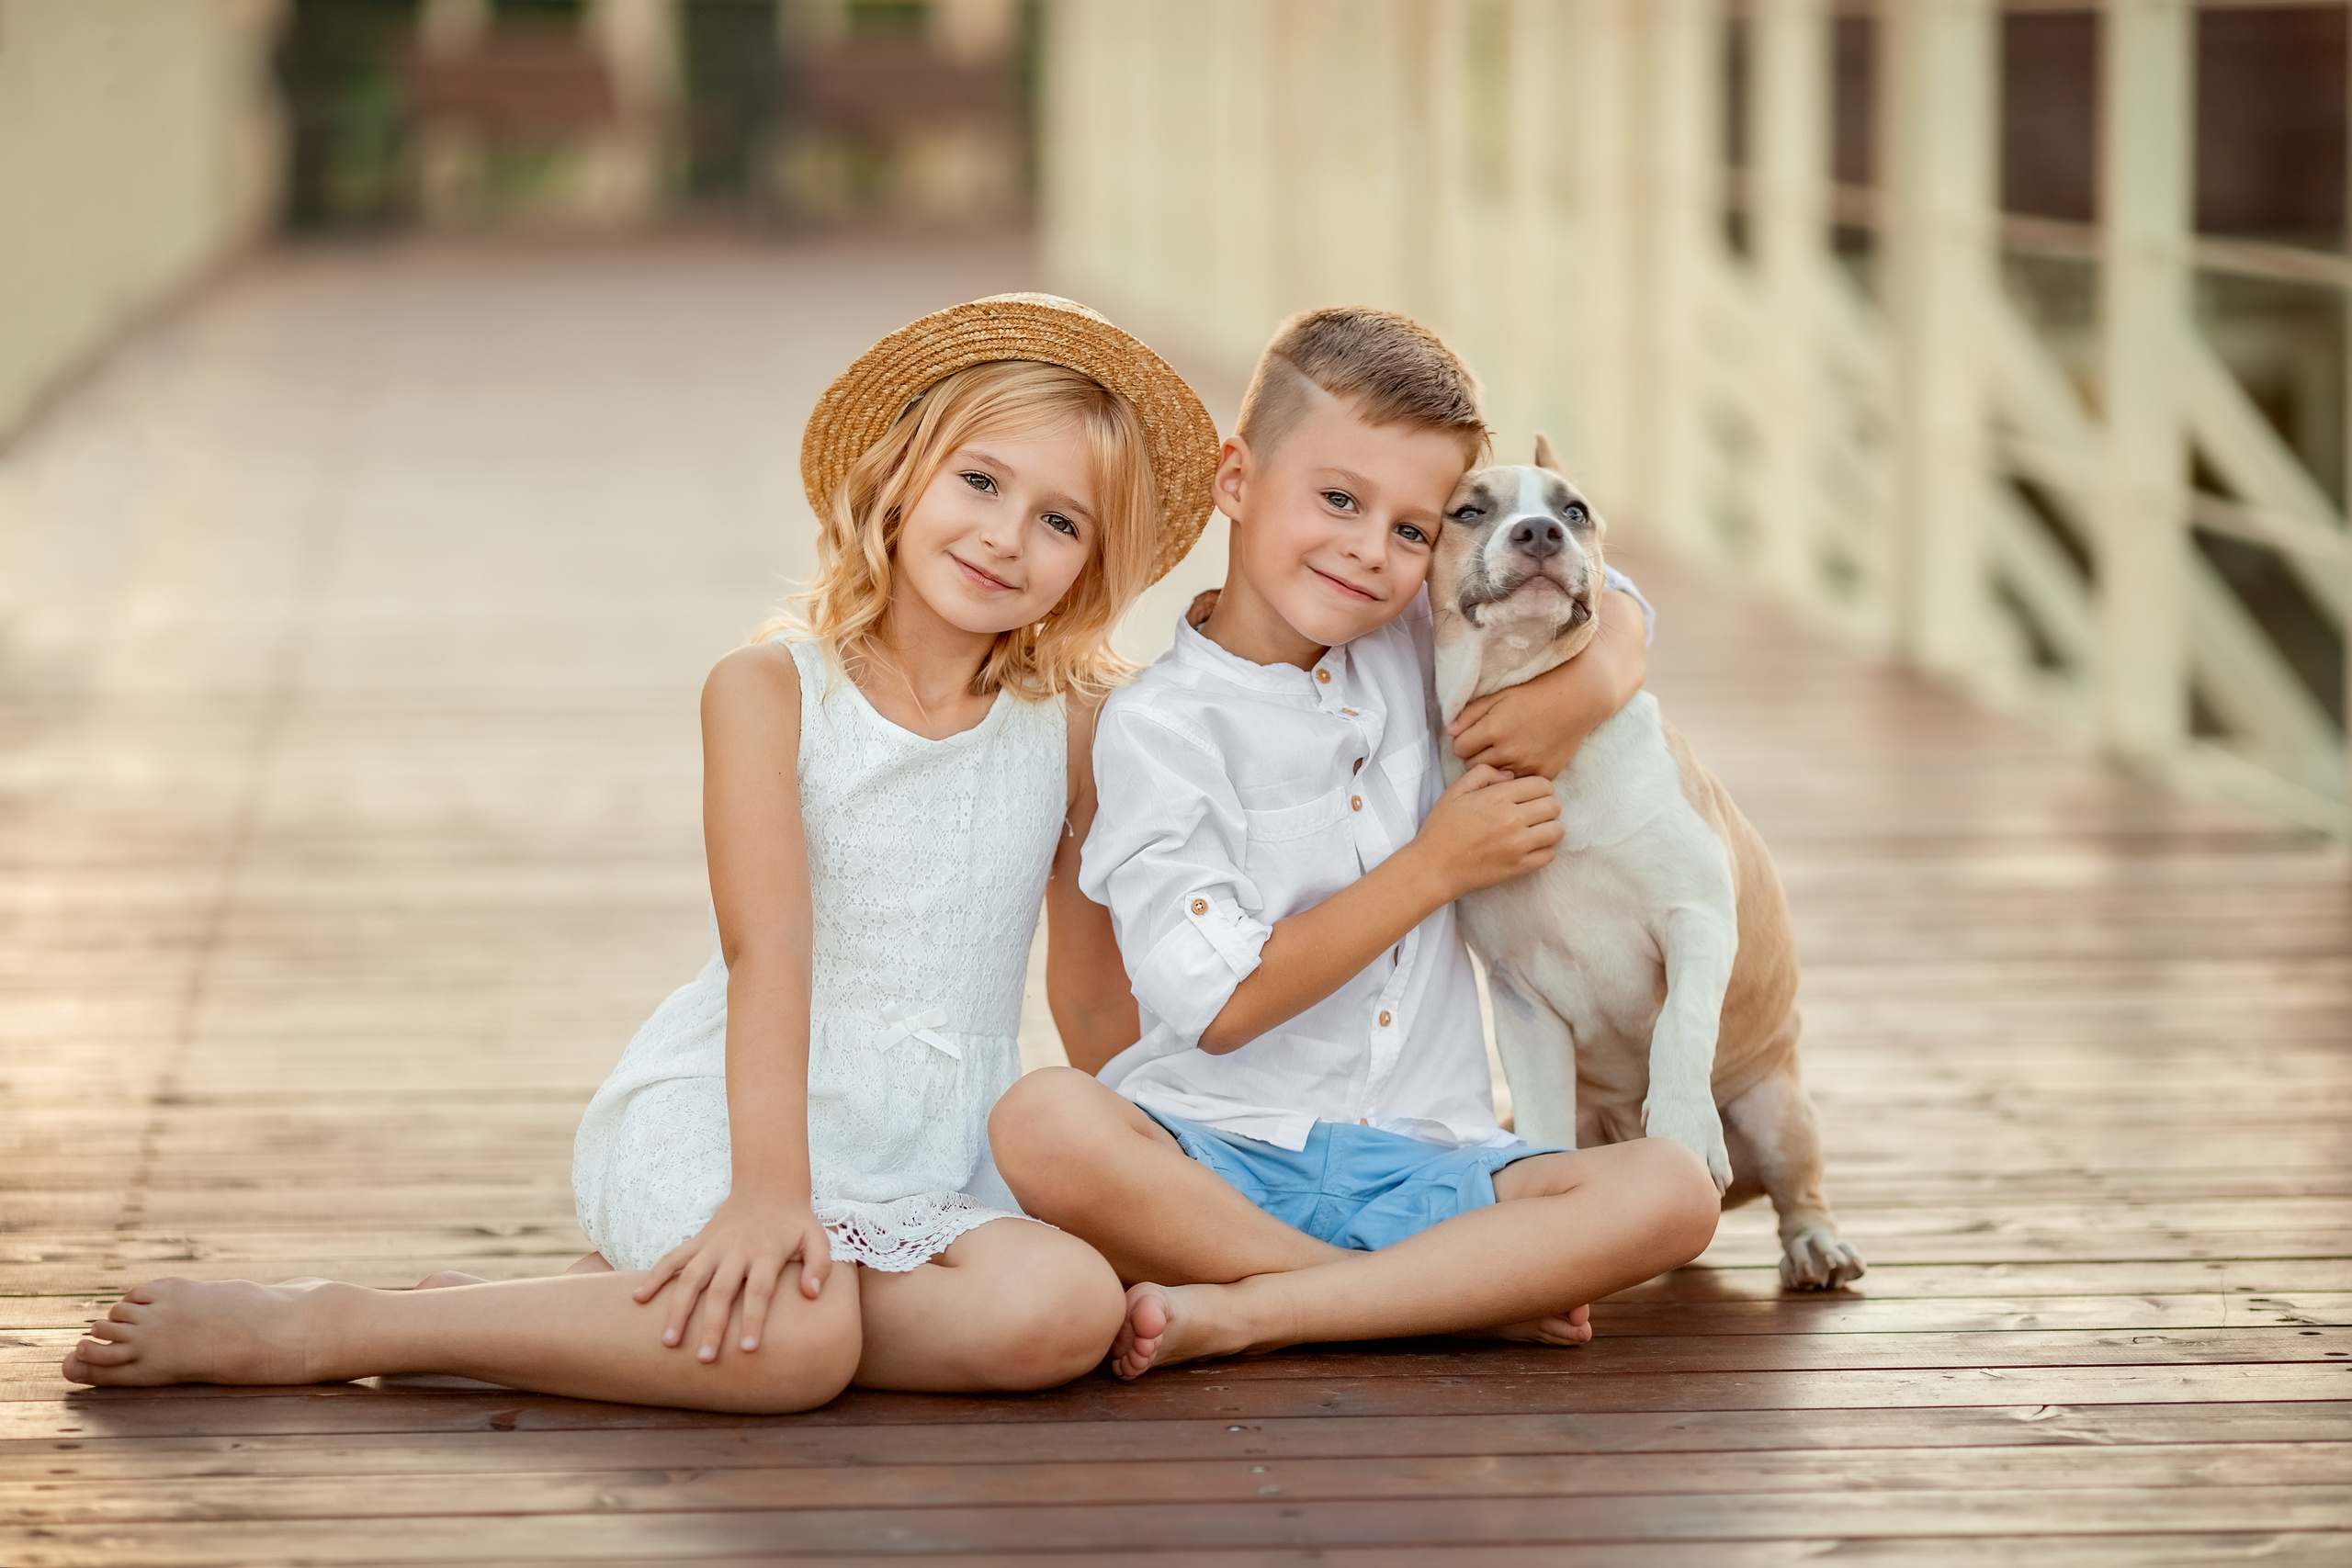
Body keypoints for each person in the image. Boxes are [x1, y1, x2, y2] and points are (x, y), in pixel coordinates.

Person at [61, 294, 1219, 1413]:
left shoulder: (1068, 730)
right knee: (801, 1342)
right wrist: (770, 1197)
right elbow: (765, 952)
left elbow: (1089, 992)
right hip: (740, 1114)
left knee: (1063, 1310)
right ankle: (340, 1326)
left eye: (1060, 521)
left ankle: (610, 1323)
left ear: (1093, 561)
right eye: (981, 481)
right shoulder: (770, 691)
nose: (1005, 536)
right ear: (903, 473)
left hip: (939, 1150)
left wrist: (1160, 1180)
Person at [989, 307, 1723, 1380]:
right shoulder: (1160, 729)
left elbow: (1607, 595)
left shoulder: (1410, 642)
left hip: (1431, 1158)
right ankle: (1394, 1301)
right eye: (1337, 500)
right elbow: (1223, 1005)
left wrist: (1587, 693)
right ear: (1234, 481)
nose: (1368, 553)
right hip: (1221, 1153)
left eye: (1413, 530)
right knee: (1045, 1118)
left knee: (1672, 1191)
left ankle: (1265, 1307)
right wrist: (1437, 863)